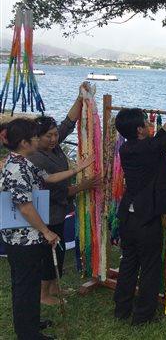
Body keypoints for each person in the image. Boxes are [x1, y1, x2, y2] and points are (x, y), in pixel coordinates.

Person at [0, 118, 93, 340]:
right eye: (35, 138)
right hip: (22, 238)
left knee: (30, 283)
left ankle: (31, 322)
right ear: (24, 142)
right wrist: (46, 231)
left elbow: (49, 177)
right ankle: (27, 333)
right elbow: (25, 207)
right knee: (24, 285)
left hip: (29, 236)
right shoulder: (16, 169)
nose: (39, 140)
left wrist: (77, 169)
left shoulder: (26, 162)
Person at [113, 105, 166, 325]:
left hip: (129, 217)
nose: (149, 126)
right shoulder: (149, 149)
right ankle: (143, 315)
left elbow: (159, 140)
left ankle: (122, 308)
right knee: (150, 266)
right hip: (146, 219)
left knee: (129, 262)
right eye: (146, 124)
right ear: (139, 130)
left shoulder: (127, 149)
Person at [30, 85, 101, 305]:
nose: (54, 138)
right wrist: (84, 184)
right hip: (47, 212)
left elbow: (68, 123)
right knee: (48, 255)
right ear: (36, 137)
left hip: (59, 210)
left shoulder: (53, 146)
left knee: (58, 254)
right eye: (49, 136)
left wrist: (80, 98)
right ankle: (43, 295)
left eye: (54, 135)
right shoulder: (37, 158)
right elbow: (57, 190)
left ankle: (53, 290)